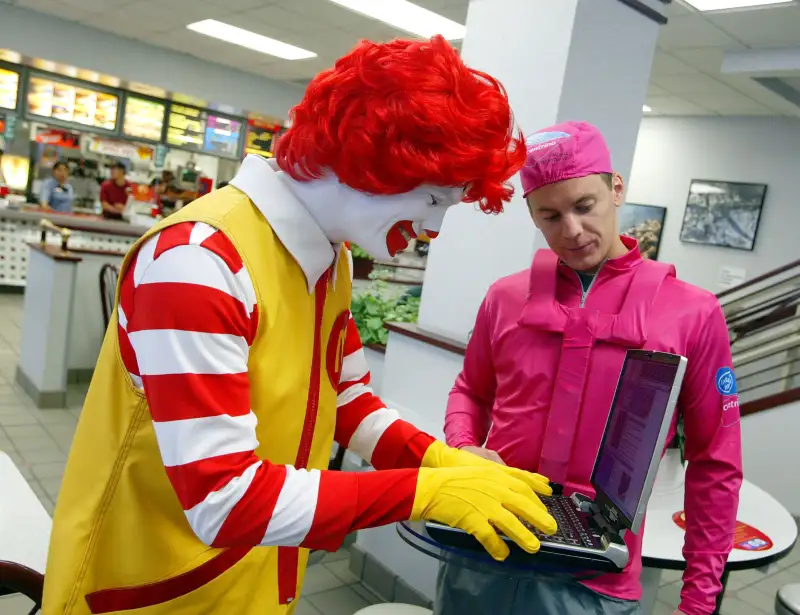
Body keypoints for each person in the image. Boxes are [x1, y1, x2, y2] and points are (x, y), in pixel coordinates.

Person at [42, 36, 557, 615]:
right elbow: (224, 498)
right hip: (153, 590)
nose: (434, 229)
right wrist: (424, 491)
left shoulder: (327, 259)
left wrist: (439, 459)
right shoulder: (200, 262)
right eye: (434, 199)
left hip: (252, 581)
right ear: (372, 162)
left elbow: (347, 402)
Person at [437, 121, 742, 615]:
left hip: (592, 585)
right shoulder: (506, 297)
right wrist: (464, 448)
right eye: (551, 216)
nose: (572, 231)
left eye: (584, 206)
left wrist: (699, 601)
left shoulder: (693, 312)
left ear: (616, 189)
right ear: (532, 216)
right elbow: (470, 391)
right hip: (484, 552)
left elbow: (714, 463)